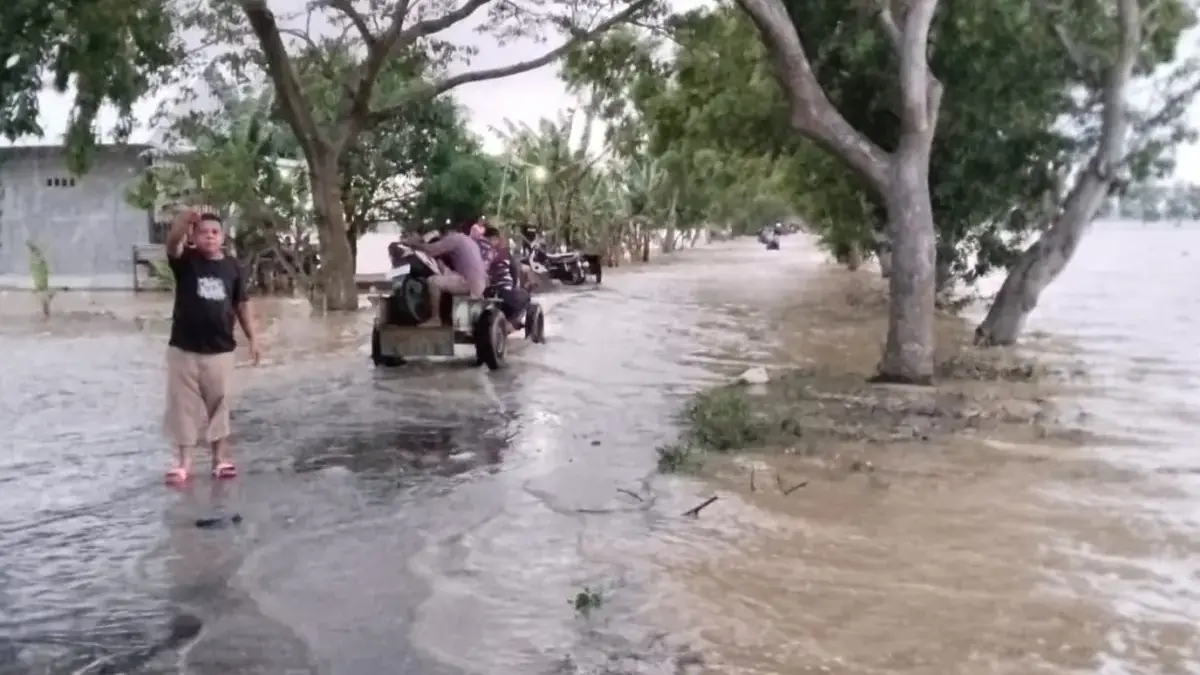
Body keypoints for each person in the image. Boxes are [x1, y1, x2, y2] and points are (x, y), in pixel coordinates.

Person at [163, 210, 261, 484]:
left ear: (223, 237)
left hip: (220, 351)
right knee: (182, 406)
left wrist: (253, 337)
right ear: (194, 236)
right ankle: (184, 463)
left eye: (215, 232)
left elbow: (241, 304)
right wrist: (182, 222)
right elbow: (171, 244)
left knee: (220, 405)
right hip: (184, 349)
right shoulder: (186, 261)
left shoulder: (233, 268)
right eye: (203, 231)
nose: (209, 236)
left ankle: (221, 459)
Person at [405, 228, 487, 321]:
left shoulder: (453, 238)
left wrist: (413, 244)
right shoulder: (469, 241)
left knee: (433, 281)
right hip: (479, 283)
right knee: (445, 272)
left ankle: (435, 318)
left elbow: (431, 250)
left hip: (468, 283)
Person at [483, 226, 529, 327]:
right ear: (496, 239)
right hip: (503, 291)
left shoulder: (481, 253)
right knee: (525, 296)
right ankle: (512, 321)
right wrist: (515, 287)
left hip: (486, 291)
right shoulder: (504, 253)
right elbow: (514, 273)